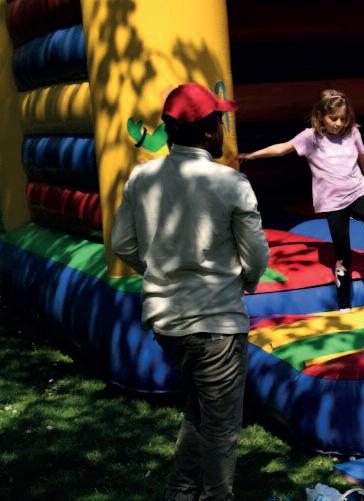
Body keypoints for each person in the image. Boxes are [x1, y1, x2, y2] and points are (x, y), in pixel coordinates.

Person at [111, 82, 270, 501]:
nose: (223, 131)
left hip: (167, 322)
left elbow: (122, 244)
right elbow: (256, 254)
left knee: (200, 411)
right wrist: (247, 281)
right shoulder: (230, 182)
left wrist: (160, 273)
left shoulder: (142, 178)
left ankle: (180, 492)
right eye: (220, 123)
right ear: (207, 132)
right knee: (221, 427)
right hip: (215, 322)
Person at [238, 89, 364, 313]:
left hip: (357, 191)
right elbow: (282, 149)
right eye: (334, 119)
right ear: (320, 116)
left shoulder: (352, 133)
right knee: (342, 254)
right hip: (333, 202)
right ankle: (344, 305)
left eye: (343, 119)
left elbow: (363, 158)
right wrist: (252, 155)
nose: (339, 124)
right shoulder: (310, 137)